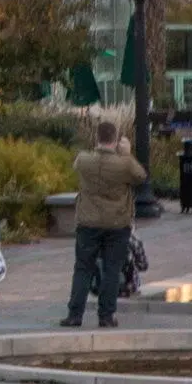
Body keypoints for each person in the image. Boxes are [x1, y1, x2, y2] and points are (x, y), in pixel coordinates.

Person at [62, 118, 148, 329]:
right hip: (117, 224)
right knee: (112, 269)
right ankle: (106, 316)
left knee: (83, 268)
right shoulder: (124, 164)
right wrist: (126, 154)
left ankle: (75, 314)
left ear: (96, 137)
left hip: (88, 222)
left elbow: (76, 165)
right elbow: (141, 176)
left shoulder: (84, 160)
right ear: (116, 139)